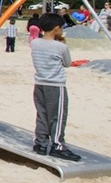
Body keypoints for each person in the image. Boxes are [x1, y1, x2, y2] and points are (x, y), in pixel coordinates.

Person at [31, 13, 81, 161]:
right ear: (57, 28)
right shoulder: (60, 47)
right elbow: (67, 63)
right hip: (55, 85)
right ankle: (58, 146)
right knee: (57, 117)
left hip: (39, 83)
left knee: (42, 114)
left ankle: (40, 143)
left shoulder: (35, 43)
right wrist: (62, 42)